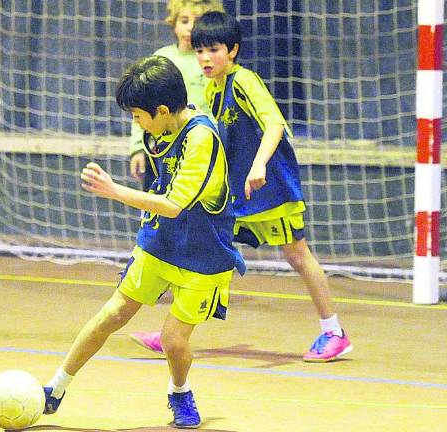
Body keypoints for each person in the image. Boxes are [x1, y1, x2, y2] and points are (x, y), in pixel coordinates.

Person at [132, 11, 353, 362]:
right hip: (239, 191)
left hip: (273, 186)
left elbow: (275, 124)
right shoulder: (211, 87)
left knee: (297, 255)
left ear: (233, 50)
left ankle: (334, 332)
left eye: (214, 50)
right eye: (200, 51)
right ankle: (172, 333)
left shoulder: (244, 81)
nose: (205, 58)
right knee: (208, 248)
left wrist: (260, 164)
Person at [42, 55, 245, 429]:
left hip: (204, 253)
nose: (135, 122)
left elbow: (172, 205)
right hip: (160, 242)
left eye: (137, 114)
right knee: (111, 315)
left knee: (173, 339)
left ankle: (180, 393)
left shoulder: (201, 139)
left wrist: (114, 190)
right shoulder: (159, 129)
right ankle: (54, 389)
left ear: (164, 110)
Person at [128, 0, 225, 191]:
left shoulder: (213, 63)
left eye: (197, 21)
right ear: (174, 23)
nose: (190, 28)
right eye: (184, 20)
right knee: (155, 203)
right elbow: (142, 107)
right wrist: (138, 148)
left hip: (200, 147)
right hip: (161, 147)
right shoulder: (161, 59)